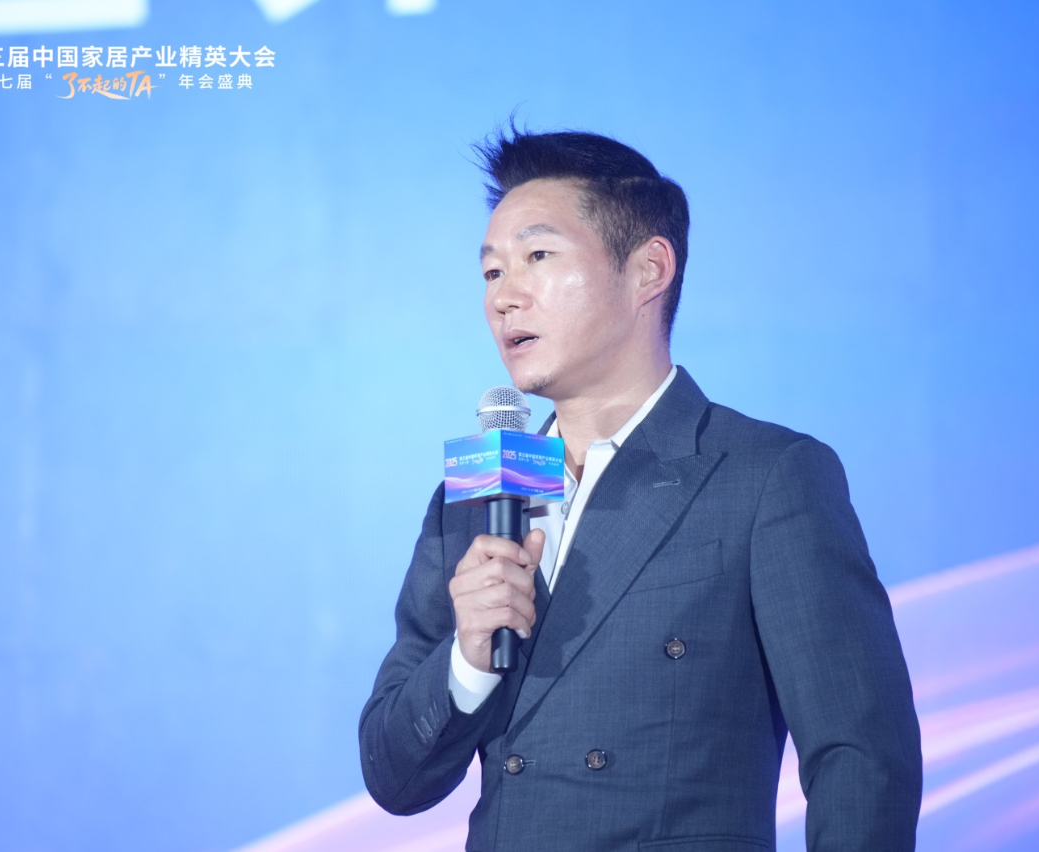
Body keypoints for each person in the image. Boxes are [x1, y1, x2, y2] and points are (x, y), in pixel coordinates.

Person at [358, 127, 922, 852]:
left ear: (649, 269)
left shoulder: (765, 475)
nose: (504, 297)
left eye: (538, 257)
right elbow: (392, 777)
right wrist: (467, 658)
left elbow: (862, 759)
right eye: (492, 271)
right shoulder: (478, 494)